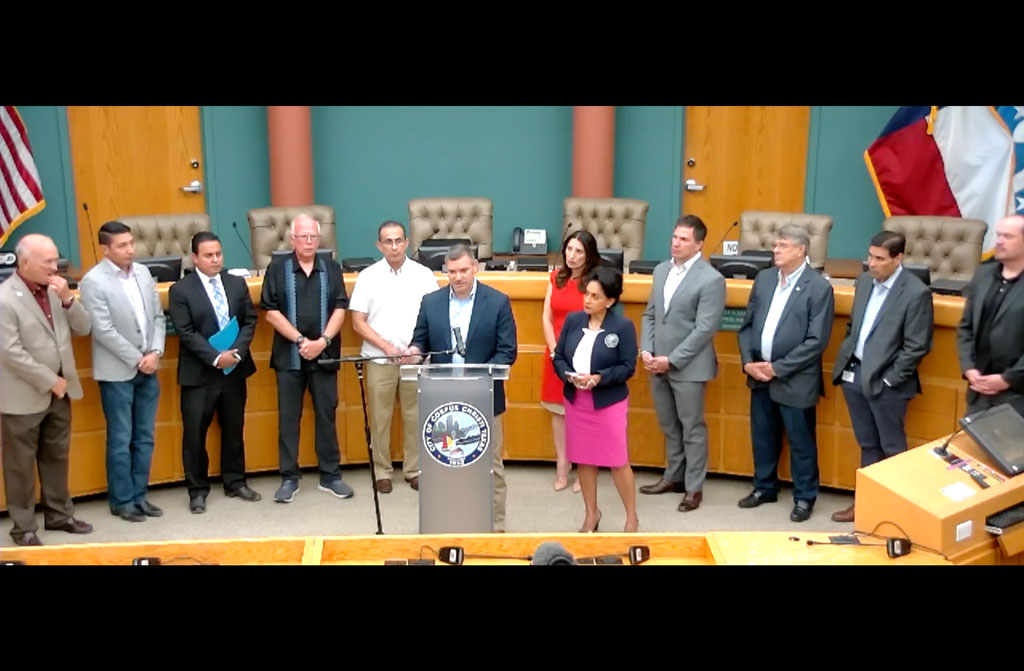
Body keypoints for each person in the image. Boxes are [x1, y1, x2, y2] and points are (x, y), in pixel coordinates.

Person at [408, 244, 517, 531]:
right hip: (441, 399)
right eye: (452, 271)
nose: (458, 277)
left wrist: (477, 378)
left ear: (476, 267)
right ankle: (447, 518)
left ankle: (496, 526)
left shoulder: (497, 302)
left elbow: (507, 352)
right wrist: (413, 351)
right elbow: (421, 341)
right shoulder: (430, 302)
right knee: (445, 461)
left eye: (464, 270)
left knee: (490, 465)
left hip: (484, 398)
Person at [830, 230, 933, 522]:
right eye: (870, 256)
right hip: (856, 375)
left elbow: (917, 345)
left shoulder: (915, 292)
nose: (871, 263)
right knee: (867, 443)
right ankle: (865, 505)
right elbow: (855, 326)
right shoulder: (864, 282)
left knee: (892, 448)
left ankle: (897, 513)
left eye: (879, 259)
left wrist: (890, 380)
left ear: (898, 258)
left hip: (888, 383)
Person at [736, 225, 834, 523]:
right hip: (759, 373)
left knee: (801, 442)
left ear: (800, 250)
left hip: (795, 379)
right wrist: (747, 362)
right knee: (762, 436)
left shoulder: (818, 287)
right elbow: (747, 325)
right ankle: (764, 487)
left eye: (782, 245)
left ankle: (805, 497)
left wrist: (778, 368)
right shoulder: (764, 279)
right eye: (775, 245)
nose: (775, 250)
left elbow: (817, 341)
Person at [0, 234, 93, 546]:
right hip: (24, 395)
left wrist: (68, 299)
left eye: (56, 259)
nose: (56, 267)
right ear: (24, 263)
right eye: (48, 262)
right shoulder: (5, 298)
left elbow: (84, 328)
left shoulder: (57, 291)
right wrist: (50, 380)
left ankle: (59, 514)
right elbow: (10, 353)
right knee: (20, 466)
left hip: (61, 391)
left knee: (56, 456)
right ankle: (23, 527)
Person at [260, 213, 353, 503]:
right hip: (290, 357)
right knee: (289, 419)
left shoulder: (332, 268)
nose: (309, 241)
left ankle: (331, 476)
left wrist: (323, 341)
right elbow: (270, 311)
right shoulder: (277, 268)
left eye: (314, 236)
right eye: (303, 236)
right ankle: (289, 477)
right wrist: (302, 341)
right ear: (293, 239)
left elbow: (340, 307)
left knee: (327, 416)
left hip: (324, 355)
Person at [79, 221, 167, 522]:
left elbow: (158, 316)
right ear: (106, 249)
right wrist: (138, 358)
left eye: (131, 243)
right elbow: (102, 330)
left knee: (144, 437)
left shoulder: (142, 273)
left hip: (149, 367)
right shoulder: (93, 281)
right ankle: (122, 500)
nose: (130, 250)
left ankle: (140, 496)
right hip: (118, 372)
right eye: (122, 246)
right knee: (121, 438)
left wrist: (154, 352)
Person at [168, 231, 261, 514]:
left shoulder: (235, 283)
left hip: (234, 367)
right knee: (195, 434)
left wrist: (236, 353)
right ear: (194, 257)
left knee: (234, 429)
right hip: (200, 373)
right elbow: (185, 332)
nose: (215, 260)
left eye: (218, 254)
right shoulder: (181, 290)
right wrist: (214, 357)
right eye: (208, 255)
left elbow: (250, 320)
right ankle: (198, 490)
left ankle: (235, 481)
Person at [638, 215, 726, 513]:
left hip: (688, 367)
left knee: (692, 428)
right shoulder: (662, 270)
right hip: (656, 362)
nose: (676, 243)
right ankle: (673, 476)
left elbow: (705, 329)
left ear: (699, 244)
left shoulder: (711, 279)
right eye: (674, 237)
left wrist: (671, 360)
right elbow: (651, 315)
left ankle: (693, 488)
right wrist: (647, 350)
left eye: (684, 239)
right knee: (669, 425)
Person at [349, 221, 439, 493]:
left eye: (399, 240)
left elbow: (433, 317)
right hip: (379, 359)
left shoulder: (424, 275)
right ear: (379, 245)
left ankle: (413, 469)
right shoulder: (368, 276)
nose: (394, 246)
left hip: (414, 359)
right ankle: (382, 471)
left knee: (416, 416)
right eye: (388, 241)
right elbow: (357, 322)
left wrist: (415, 348)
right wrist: (387, 348)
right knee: (380, 418)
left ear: (407, 242)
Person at [552, 267, 638, 533]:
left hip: (607, 402)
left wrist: (600, 377)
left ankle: (631, 517)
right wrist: (568, 375)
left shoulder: (622, 327)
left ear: (610, 301)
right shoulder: (573, 321)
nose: (587, 300)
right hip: (577, 400)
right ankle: (592, 514)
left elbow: (628, 367)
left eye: (595, 296)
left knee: (616, 459)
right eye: (586, 294)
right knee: (584, 459)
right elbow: (559, 357)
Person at [541, 230, 601, 492]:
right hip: (556, 355)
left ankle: (583, 470)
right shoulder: (555, 278)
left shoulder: (595, 283)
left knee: (583, 415)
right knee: (558, 413)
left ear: (589, 256)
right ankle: (562, 468)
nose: (572, 256)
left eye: (579, 251)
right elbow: (546, 317)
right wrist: (554, 351)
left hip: (585, 355)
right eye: (569, 250)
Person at [957, 215, 1024, 417]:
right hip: (978, 392)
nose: (999, 241)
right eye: (998, 235)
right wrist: (969, 368)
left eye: (1008, 236)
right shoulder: (983, 275)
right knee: (970, 448)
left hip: (1018, 395)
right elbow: (966, 327)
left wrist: (1008, 379)